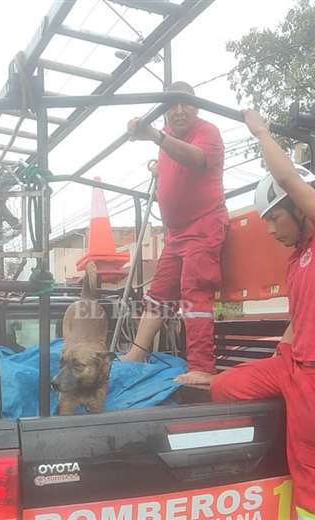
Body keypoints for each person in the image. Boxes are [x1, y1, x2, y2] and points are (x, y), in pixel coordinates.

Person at [208, 110, 315, 520]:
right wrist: (277, 361)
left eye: (274, 218)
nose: (270, 230)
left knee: (313, 486)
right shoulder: (297, 259)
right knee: (223, 388)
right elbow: (297, 318)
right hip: (292, 365)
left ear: (299, 209)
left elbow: (288, 180)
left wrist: (262, 133)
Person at [122, 81, 227, 385]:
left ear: (197, 107)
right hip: (176, 234)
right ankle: (137, 353)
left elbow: (195, 158)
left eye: (186, 103)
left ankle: (202, 367)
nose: (179, 110)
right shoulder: (166, 141)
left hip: (204, 225)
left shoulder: (208, 132)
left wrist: (154, 135)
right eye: (172, 104)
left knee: (195, 294)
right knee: (158, 294)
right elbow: (173, 163)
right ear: (165, 110)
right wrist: (158, 167)